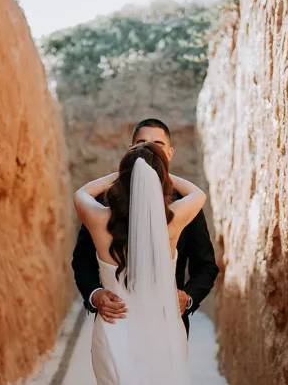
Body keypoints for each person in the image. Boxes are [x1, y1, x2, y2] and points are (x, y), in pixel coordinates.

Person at [73, 140, 209, 384]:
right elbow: (199, 194)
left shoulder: (97, 219)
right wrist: (159, 172)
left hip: (115, 330)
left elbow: (81, 193)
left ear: (122, 180)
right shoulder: (173, 221)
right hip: (163, 333)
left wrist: (125, 172)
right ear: (161, 179)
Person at [71, 118, 219, 335]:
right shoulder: (104, 203)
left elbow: (206, 266)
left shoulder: (183, 206)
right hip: (115, 322)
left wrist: (188, 298)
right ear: (130, 150)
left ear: (170, 153)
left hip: (168, 326)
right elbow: (82, 260)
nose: (149, 151)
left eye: (157, 146)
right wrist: (95, 295)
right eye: (142, 144)